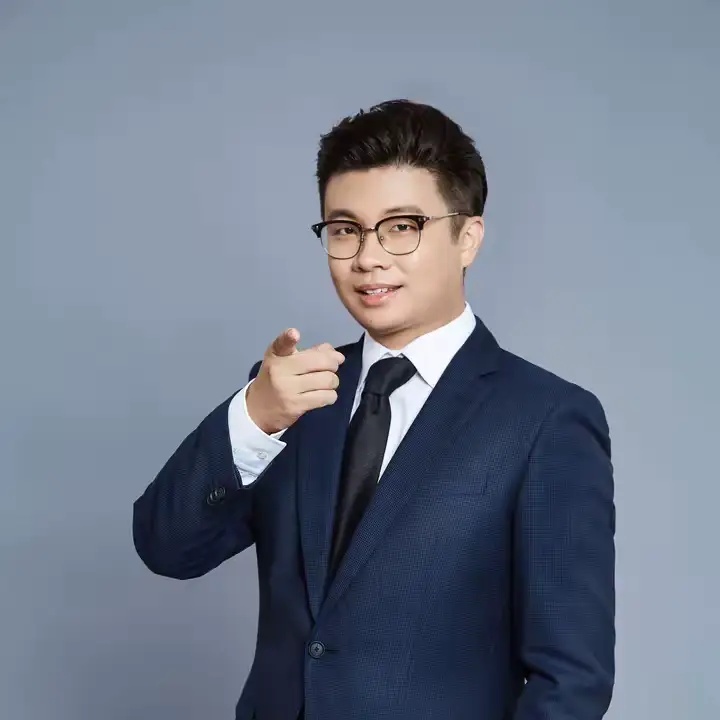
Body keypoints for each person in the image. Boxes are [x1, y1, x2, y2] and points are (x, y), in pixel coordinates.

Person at [132, 99, 616, 720]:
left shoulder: (547, 420)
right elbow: (167, 549)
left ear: (467, 238)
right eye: (344, 229)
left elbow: (571, 680)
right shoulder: (292, 394)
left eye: (402, 226)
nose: (368, 257)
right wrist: (253, 417)